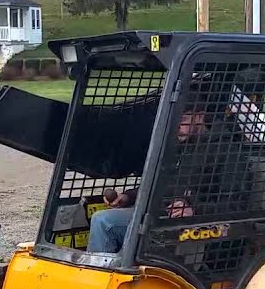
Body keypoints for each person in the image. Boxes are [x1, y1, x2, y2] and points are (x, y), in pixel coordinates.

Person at [86, 109, 221, 254]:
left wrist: (194, 209)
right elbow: (160, 185)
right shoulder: (179, 148)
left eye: (182, 121)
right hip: (158, 214)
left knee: (112, 229)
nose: (177, 127)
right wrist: (129, 196)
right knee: (101, 219)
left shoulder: (222, 149)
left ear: (199, 116)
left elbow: (239, 203)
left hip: (187, 224)